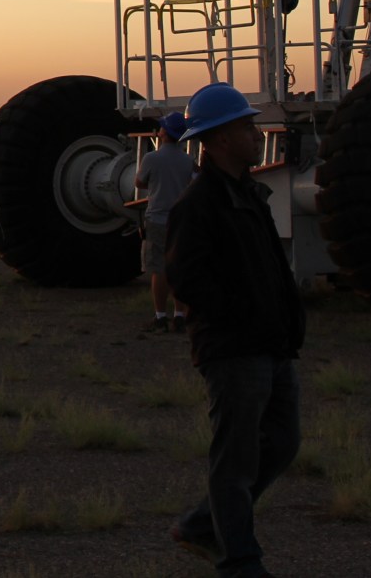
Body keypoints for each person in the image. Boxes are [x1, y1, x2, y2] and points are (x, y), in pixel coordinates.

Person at [164, 81, 304, 578]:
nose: (255, 133)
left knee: (283, 442)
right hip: (234, 350)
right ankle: (241, 562)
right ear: (220, 138)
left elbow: (271, 266)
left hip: (272, 344)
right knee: (236, 460)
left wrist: (288, 319)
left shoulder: (249, 194)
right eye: (246, 127)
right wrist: (241, 318)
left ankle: (205, 524)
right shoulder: (198, 205)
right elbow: (186, 280)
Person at [136, 115, 196, 332]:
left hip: (157, 218)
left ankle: (160, 317)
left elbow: (139, 182)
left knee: (158, 268)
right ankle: (180, 315)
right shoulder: (188, 160)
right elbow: (195, 184)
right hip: (181, 220)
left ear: (164, 133)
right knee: (179, 267)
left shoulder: (151, 158)